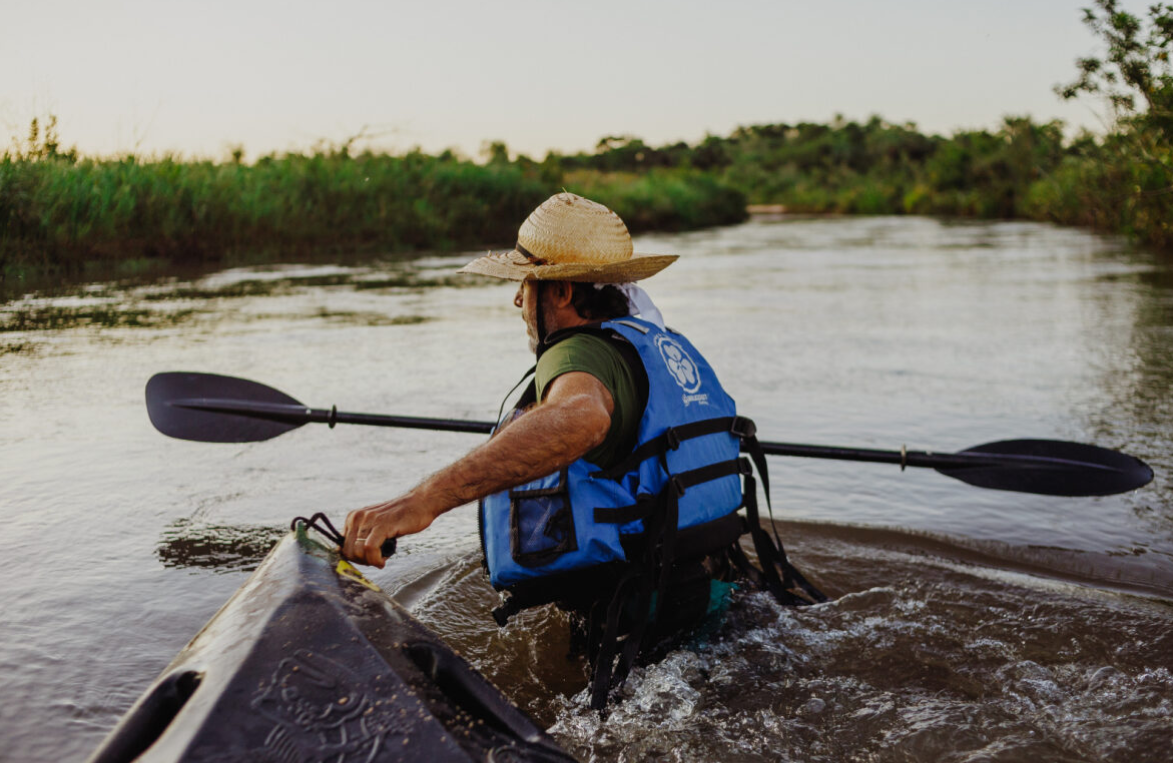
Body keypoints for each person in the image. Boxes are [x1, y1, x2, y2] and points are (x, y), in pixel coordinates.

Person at [343, 192, 824, 709]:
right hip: (718, 589)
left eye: (526, 286)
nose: (516, 302)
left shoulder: (578, 352)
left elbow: (583, 416)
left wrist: (424, 500)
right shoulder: (654, 340)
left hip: (647, 615)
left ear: (564, 291)